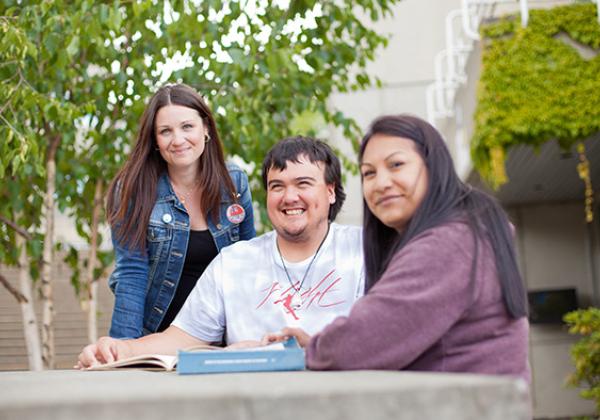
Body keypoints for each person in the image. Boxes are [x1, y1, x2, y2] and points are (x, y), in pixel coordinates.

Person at [268, 115, 530, 382]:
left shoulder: (448, 245)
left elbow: (364, 340)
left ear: (433, 167)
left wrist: (318, 349)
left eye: (396, 165)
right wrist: (317, 346)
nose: (381, 183)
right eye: (369, 173)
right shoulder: (468, 231)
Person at [77, 136, 364, 367]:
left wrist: (315, 348)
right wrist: (119, 348)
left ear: (330, 191)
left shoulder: (365, 251)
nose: (289, 197)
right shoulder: (234, 261)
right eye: (277, 186)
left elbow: (388, 338)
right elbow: (182, 338)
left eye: (303, 183)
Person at [106, 83, 256, 339]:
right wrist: (125, 349)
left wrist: (251, 335)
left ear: (205, 128)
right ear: (154, 139)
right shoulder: (133, 188)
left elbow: (247, 264)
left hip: (222, 337)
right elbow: (132, 272)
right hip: (156, 337)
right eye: (165, 131)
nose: (178, 140)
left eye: (187, 127)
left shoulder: (234, 184)